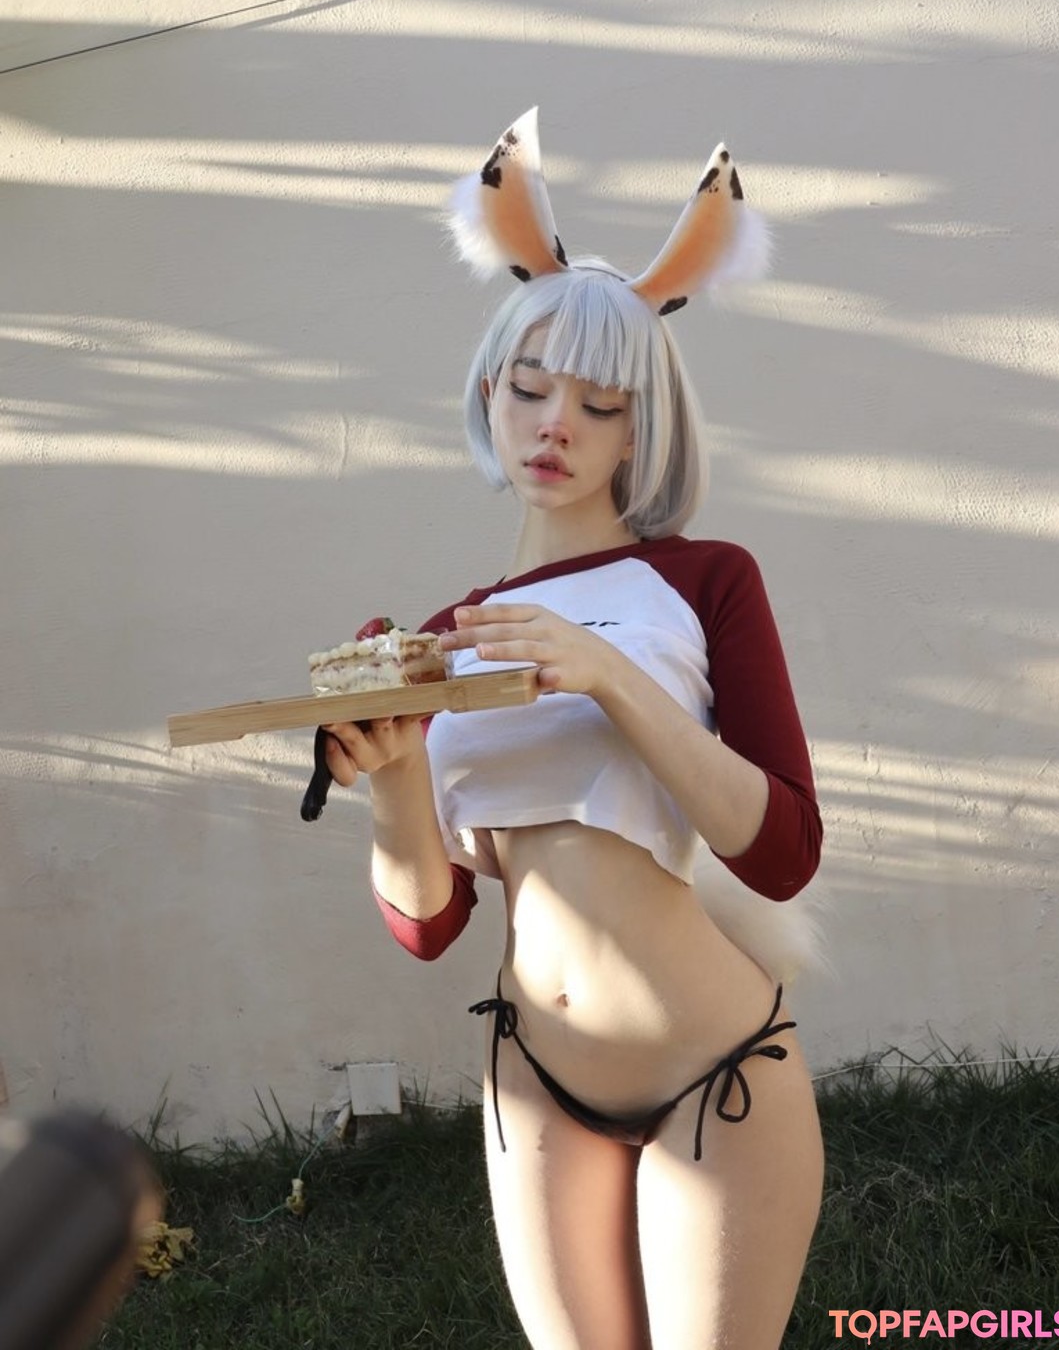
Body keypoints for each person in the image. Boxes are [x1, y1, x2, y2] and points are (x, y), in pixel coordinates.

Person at [320, 109, 824, 1350]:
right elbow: (429, 924)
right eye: (531, 388)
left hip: (718, 1069)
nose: (555, 425)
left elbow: (783, 852)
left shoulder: (704, 581)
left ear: (642, 428)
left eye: (599, 403)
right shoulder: (449, 634)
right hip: (535, 1080)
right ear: (489, 393)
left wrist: (605, 675)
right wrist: (391, 776)